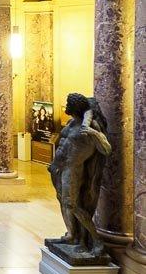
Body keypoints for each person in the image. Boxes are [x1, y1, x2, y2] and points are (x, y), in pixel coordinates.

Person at [46, 93, 111, 262]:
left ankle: (96, 242)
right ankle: (72, 235)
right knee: (62, 200)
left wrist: (92, 132)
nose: (65, 105)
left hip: (72, 169)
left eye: (68, 103)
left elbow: (106, 149)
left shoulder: (90, 126)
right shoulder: (72, 123)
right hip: (58, 167)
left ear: (76, 106)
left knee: (72, 204)